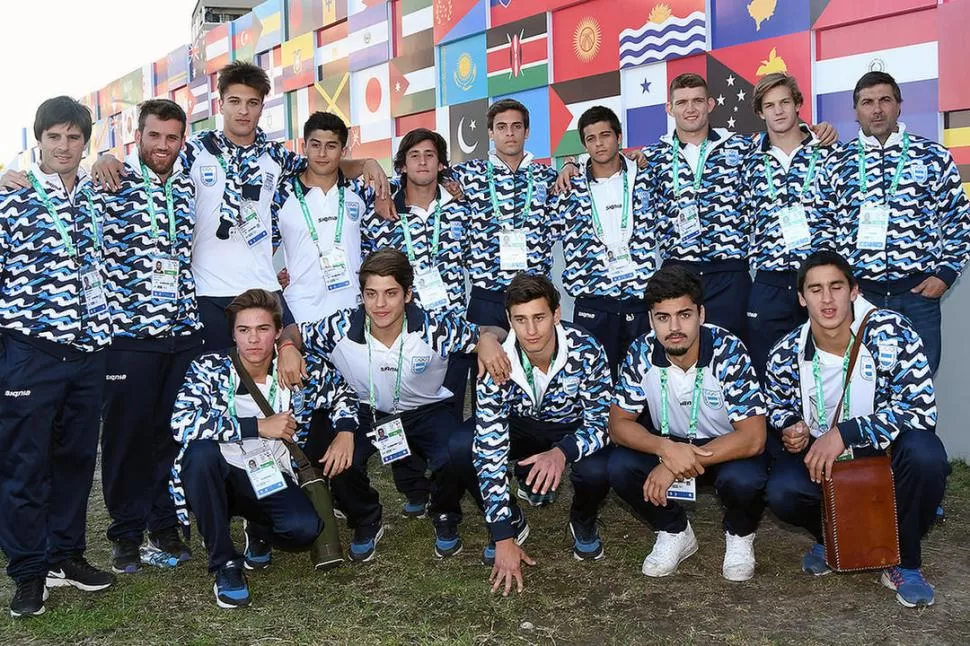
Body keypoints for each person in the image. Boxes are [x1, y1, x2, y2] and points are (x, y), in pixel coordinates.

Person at [80, 61, 389, 352]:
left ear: (261, 107)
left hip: (262, 287)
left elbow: (322, 166)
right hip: (207, 292)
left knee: (277, 373)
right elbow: (153, 160)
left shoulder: (275, 156)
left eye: (252, 103)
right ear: (221, 104)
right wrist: (106, 159)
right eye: (235, 101)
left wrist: (366, 163)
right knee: (218, 382)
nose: (243, 111)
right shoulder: (194, 150)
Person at [276, 248, 511, 562]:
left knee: (455, 452)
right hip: (367, 410)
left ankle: (445, 515)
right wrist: (288, 346)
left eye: (390, 293)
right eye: (371, 294)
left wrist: (489, 340)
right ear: (362, 296)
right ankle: (366, 519)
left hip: (426, 409)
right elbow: (294, 331)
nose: (380, 304)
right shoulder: (341, 327)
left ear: (408, 294)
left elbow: (493, 330)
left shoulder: (433, 328)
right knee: (338, 457)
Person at [763, 250, 949, 608]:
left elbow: (921, 411)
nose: (827, 298)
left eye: (836, 286)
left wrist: (848, 432)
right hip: (828, 461)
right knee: (782, 490)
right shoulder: (785, 352)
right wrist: (790, 426)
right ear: (802, 298)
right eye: (815, 290)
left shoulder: (892, 331)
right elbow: (777, 404)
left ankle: (904, 562)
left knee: (927, 456)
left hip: (885, 453)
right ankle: (834, 536)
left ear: (854, 291)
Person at [170, 289, 360, 609]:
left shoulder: (296, 368)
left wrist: (346, 432)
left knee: (303, 531)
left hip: (268, 472)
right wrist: (256, 426)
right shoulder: (209, 368)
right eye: (244, 330)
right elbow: (181, 423)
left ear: (277, 333)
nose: (253, 340)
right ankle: (225, 564)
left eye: (262, 329)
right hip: (220, 472)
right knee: (199, 455)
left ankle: (257, 527)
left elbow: (344, 394)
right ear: (233, 333)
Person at [0, 96, 115, 619]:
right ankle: (27, 571)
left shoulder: (97, 196)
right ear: (38, 141)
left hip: (88, 354)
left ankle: (65, 556)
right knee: (25, 466)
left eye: (74, 138)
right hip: (29, 352)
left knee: (74, 461)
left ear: (84, 142)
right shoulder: (11, 197)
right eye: (54, 137)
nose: (64, 147)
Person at [451, 272, 612, 596]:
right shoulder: (497, 360)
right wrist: (502, 536)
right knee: (461, 445)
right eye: (520, 320)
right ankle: (512, 517)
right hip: (521, 427)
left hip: (570, 428)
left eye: (539, 317)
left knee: (598, 468)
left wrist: (562, 452)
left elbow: (602, 422)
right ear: (509, 320)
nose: (531, 330)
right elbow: (489, 447)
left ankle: (582, 520)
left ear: (556, 314)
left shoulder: (587, 349)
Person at [608, 266, 768, 582]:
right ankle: (674, 531)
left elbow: (753, 437)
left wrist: (680, 461)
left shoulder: (728, 350)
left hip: (722, 448)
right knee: (619, 466)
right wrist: (665, 449)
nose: (675, 327)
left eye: (684, 315)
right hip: (670, 441)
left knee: (746, 480)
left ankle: (740, 535)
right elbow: (618, 424)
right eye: (663, 318)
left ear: (701, 314)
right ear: (651, 320)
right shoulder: (641, 351)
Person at [99, 99, 198, 574]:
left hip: (181, 333)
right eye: (154, 136)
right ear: (138, 136)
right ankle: (124, 532)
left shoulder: (189, 184)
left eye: (172, 137)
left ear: (183, 139)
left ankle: (164, 522)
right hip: (129, 336)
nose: (163, 146)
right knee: (126, 436)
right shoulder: (110, 182)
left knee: (168, 434)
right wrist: (101, 157)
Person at [817, 71, 970, 376]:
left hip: (917, 295)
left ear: (899, 106)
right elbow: (823, 227)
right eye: (867, 102)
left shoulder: (932, 157)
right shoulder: (836, 162)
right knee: (862, 382)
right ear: (856, 111)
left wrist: (946, 274)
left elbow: (958, 218)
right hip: (861, 298)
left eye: (885, 100)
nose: (877, 109)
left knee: (919, 382)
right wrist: (839, 286)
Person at [740, 73, 836, 380]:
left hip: (820, 281)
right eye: (770, 105)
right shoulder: (745, 158)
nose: (778, 111)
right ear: (760, 112)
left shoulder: (829, 150)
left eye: (784, 102)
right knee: (767, 371)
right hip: (769, 281)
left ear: (798, 105)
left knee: (824, 369)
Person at [553, 105, 656, 377]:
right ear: (584, 145)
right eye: (591, 138)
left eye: (605, 135)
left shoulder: (646, 178)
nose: (599, 143)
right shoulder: (568, 187)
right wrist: (569, 164)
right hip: (593, 301)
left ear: (619, 137)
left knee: (644, 380)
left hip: (638, 299)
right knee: (595, 380)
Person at [446, 99, 561, 329]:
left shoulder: (547, 176)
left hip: (533, 296)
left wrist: (570, 166)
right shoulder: (467, 174)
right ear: (490, 132)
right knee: (486, 363)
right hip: (486, 296)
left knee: (536, 363)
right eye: (501, 127)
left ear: (526, 132)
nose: (510, 133)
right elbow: (420, 179)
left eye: (516, 126)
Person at [273, 111, 375, 324]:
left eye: (331, 146)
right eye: (315, 144)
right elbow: (260, 254)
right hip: (300, 313)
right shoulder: (280, 195)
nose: (322, 153)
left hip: (354, 312)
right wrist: (272, 281)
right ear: (304, 147)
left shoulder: (362, 191)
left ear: (343, 150)